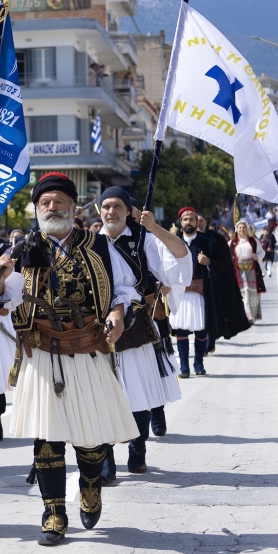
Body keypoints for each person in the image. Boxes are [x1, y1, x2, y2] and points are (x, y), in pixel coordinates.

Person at [2, 173, 139, 546]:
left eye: (59, 201)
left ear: (73, 207)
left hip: (86, 347)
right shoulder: (22, 249)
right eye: (45, 202)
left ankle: (91, 484)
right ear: (36, 209)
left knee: (92, 439)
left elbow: (125, 286)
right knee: (47, 439)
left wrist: (118, 313)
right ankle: (53, 513)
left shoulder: (99, 245)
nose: (52, 207)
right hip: (42, 353)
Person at [97, 187, 191, 477]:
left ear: (128, 211)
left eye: (117, 207)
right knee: (101, 396)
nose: (111, 212)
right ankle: (104, 458)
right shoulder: (89, 243)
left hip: (136, 326)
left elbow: (180, 258)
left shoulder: (144, 240)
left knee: (139, 393)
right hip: (98, 328)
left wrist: (154, 227)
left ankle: (137, 449)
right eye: (106, 206)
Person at [167, 207, 250, 377]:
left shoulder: (209, 240)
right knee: (181, 330)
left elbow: (223, 264)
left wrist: (208, 262)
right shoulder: (173, 242)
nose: (188, 222)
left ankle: (198, 363)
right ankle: (184, 367)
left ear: (197, 222)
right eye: (185, 219)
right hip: (180, 293)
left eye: (191, 219)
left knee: (201, 329)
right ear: (180, 222)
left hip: (202, 293)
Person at [230, 220, 265, 323]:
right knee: (243, 293)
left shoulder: (254, 241)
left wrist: (257, 257)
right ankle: (247, 316)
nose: (242, 230)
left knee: (253, 293)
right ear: (237, 230)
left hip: (252, 270)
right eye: (240, 228)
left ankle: (252, 316)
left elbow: (262, 253)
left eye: (244, 228)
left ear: (247, 229)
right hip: (239, 272)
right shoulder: (232, 242)